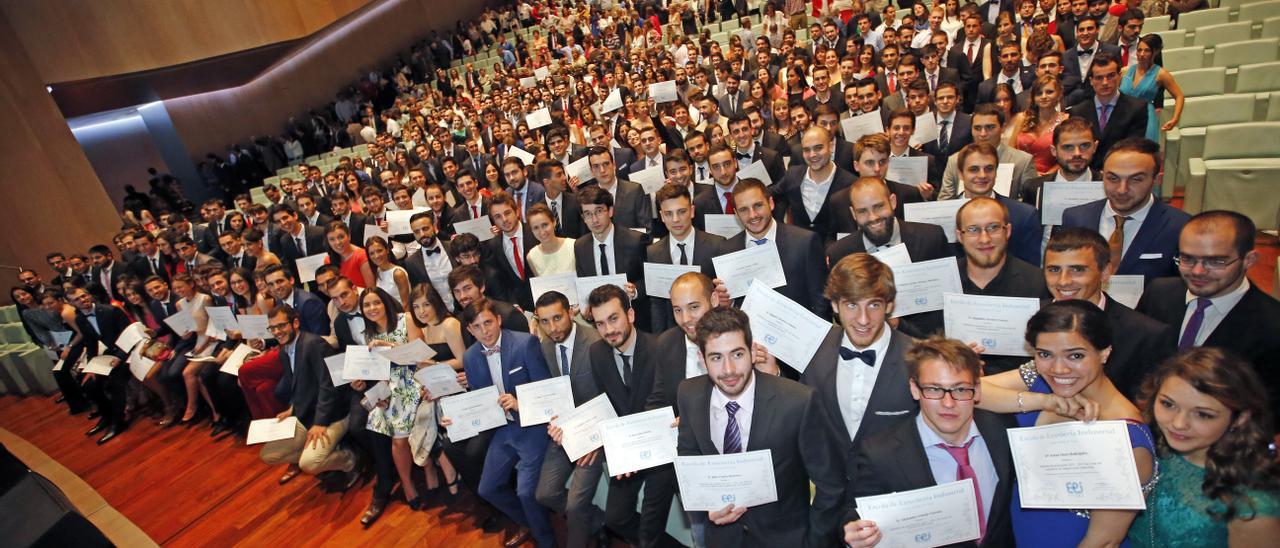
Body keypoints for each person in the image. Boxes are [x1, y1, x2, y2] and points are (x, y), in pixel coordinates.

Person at [979, 301, 1157, 547]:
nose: (1058, 368)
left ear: (1104, 352)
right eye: (1044, 354)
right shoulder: (1043, 383)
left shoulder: (1124, 435)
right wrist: (1044, 400)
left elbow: (1103, 541)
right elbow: (969, 391)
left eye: (1075, 355)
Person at [677, 306, 845, 546]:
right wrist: (705, 507)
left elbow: (831, 485)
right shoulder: (688, 393)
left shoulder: (798, 401)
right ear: (701, 359)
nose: (729, 370)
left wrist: (814, 543)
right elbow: (689, 456)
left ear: (753, 352)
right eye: (716, 357)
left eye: (737, 354)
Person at [842, 336, 1018, 548]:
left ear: (977, 390)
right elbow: (855, 517)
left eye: (960, 389)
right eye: (934, 389)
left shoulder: (1002, 431)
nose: (948, 403)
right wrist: (854, 535)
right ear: (915, 390)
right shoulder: (880, 453)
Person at [1128, 348, 1280, 546]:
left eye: (1203, 414)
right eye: (1168, 404)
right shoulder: (1150, 447)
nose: (1179, 423)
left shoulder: (1252, 506)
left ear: (1240, 419)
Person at [1136, 210, 1280, 418]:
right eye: (1187, 259)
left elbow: (1267, 414)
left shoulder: (1273, 327)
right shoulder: (1159, 293)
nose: (1197, 272)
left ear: (1249, 260)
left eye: (1215, 262)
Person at [446, 298, 554, 548]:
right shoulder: (471, 357)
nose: (485, 331)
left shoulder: (525, 343)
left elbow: (545, 389)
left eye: (488, 323)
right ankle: (529, 522)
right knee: (488, 489)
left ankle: (546, 541)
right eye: (477, 327)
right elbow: (478, 402)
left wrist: (519, 403)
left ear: (499, 320)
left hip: (531, 426)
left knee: (526, 492)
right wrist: (455, 419)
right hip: (501, 429)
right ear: (470, 331)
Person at [585, 284, 679, 547]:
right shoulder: (596, 352)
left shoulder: (661, 347)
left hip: (662, 450)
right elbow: (607, 404)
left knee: (649, 529)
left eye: (613, 318)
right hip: (627, 449)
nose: (608, 329)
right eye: (600, 323)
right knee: (615, 518)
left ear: (631, 315)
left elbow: (672, 403)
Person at [1043, 228, 1174, 399]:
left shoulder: (1145, 335)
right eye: (1054, 270)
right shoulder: (1025, 318)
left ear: (1105, 272)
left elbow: (1149, 405)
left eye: (1077, 270)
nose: (1063, 281)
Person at [257, 304, 362, 488]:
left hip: (333, 415)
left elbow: (328, 386)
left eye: (281, 326)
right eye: (272, 328)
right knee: (268, 455)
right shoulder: (284, 351)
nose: (277, 332)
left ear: (295, 323)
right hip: (306, 413)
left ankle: (349, 459)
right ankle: (326, 452)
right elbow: (298, 385)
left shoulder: (314, 344)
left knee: (309, 464)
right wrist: (291, 408)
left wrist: (320, 423)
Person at [533, 291, 608, 548]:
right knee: (544, 494)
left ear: (570, 313)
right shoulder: (544, 346)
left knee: (575, 506)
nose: (552, 328)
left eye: (557, 318)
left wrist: (597, 439)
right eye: (544, 321)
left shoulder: (597, 341)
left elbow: (614, 396)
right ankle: (598, 520)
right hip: (565, 430)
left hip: (595, 432)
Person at [1061, 138, 1189, 279]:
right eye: (1113, 179)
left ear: (1156, 180)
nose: (1122, 190)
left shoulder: (1180, 227)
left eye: (1136, 180)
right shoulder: (1075, 218)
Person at [723, 178, 829, 320]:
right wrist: (727, 302)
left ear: (771, 203)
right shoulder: (728, 250)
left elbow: (821, 301)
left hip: (797, 336)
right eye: (744, 210)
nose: (753, 215)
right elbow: (732, 307)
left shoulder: (805, 242)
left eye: (758, 205)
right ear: (736, 214)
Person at [646, 184, 725, 332]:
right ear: (661, 216)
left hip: (713, 329)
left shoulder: (717, 245)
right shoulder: (654, 252)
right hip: (673, 333)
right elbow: (656, 304)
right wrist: (659, 340)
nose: (676, 219)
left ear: (692, 211)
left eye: (681, 212)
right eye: (669, 214)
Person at [953, 142, 1045, 266]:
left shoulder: (1024, 215)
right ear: (960, 173)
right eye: (974, 169)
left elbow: (1030, 269)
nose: (982, 175)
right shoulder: (941, 214)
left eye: (989, 169)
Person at [938, 105, 1038, 202]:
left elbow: (1030, 202)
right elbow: (944, 202)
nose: (983, 134)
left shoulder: (1023, 161)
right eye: (977, 128)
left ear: (1002, 127)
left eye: (990, 127)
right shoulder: (955, 160)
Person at [1067, 52, 1148, 170]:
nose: (1105, 83)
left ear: (1119, 76)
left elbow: (1133, 149)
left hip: (1121, 173)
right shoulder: (1078, 112)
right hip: (1087, 176)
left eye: (1110, 76)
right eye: (1099, 78)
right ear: (1091, 80)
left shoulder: (1137, 108)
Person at [773, 126, 856, 239]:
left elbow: (850, 228)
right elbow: (770, 195)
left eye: (818, 148)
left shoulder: (851, 184)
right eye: (807, 150)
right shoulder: (793, 175)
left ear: (831, 147)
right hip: (799, 250)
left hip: (833, 252)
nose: (812, 155)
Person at [1120, 34, 1184, 143]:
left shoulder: (1161, 74)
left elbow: (1179, 96)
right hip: (1124, 114)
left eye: (1147, 51)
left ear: (1155, 52)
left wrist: (1175, 118)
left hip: (1146, 116)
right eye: (1139, 50)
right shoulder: (1125, 71)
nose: (1141, 54)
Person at [1009, 75, 1071, 175]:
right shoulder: (1022, 118)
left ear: (1059, 95)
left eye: (1049, 92)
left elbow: (1069, 155)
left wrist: (1049, 175)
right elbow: (1010, 151)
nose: (1044, 96)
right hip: (1019, 176)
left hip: (1051, 179)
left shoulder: (1066, 121)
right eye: (1039, 93)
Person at [524, 202, 575, 276]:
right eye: (536, 228)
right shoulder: (532, 257)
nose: (542, 232)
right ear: (531, 231)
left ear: (554, 222)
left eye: (545, 225)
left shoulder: (573, 246)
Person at [323, 221, 375, 289]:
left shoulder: (361, 256)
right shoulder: (328, 260)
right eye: (332, 239)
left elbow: (371, 288)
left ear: (349, 236)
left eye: (341, 237)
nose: (337, 242)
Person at [365, 236, 410, 307]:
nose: (376, 256)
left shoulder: (398, 273)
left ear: (387, 250)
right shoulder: (377, 271)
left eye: (379, 251)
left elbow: (406, 304)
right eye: (372, 253)